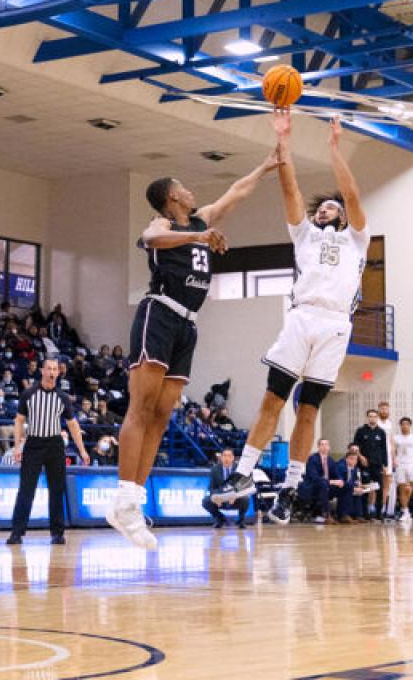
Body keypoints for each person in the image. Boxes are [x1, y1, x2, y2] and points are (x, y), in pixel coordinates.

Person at [106, 147, 279, 550]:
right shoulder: (163, 224)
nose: (189, 189)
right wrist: (198, 236)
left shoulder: (200, 219)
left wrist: (265, 165)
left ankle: (134, 500)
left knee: (164, 414)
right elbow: (150, 238)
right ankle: (124, 500)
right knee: (141, 408)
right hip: (159, 314)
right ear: (172, 197)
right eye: (182, 186)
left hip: (188, 324)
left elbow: (235, 193)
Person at [213, 114, 369, 523]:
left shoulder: (356, 239)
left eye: (334, 206)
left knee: (309, 409)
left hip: (335, 325)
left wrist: (335, 150)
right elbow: (291, 188)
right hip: (302, 317)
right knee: (272, 399)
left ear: (342, 216)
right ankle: (244, 473)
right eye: (324, 207)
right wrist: (283, 141)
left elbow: (352, 194)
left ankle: (290, 488)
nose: (329, 208)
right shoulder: (304, 234)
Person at [7, 357, 90, 546]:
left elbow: (73, 425)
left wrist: (82, 450)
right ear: (42, 371)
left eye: (55, 369)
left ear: (58, 373)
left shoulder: (62, 397)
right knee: (26, 489)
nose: (52, 372)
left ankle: (57, 533)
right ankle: (16, 533)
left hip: (55, 445)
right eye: (49, 369)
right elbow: (19, 420)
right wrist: (17, 446)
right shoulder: (29, 394)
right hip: (33, 444)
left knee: (56, 490)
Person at [352, 408, 388, 521]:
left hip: (377, 465)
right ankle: (365, 513)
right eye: (370, 416)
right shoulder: (361, 431)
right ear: (367, 418)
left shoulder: (381, 432)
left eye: (374, 416)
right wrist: (360, 457)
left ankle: (378, 513)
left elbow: (384, 449)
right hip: (364, 465)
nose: (372, 418)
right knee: (365, 489)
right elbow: (355, 447)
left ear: (377, 418)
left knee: (379, 489)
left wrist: (385, 465)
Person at [201, 448, 250, 529]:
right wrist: (216, 497)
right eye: (224, 456)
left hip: (235, 498)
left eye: (229, 456)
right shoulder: (215, 469)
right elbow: (211, 488)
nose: (227, 458)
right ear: (221, 457)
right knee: (205, 501)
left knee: (246, 499)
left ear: (233, 458)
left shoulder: (239, 469)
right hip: (221, 497)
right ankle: (220, 519)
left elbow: (243, 487)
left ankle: (241, 521)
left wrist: (235, 495)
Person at [393, 417, 413, 525]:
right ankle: (405, 512)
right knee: (402, 490)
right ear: (400, 425)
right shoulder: (396, 438)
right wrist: (394, 462)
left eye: (407, 424)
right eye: (403, 424)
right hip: (400, 465)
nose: (405, 426)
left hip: (412, 464)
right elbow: (393, 452)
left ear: (410, 425)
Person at [303, 438, 340, 524]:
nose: (324, 447)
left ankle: (344, 514)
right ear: (318, 447)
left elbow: (336, 474)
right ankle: (326, 515)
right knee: (323, 484)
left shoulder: (330, 460)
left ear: (329, 447)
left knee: (346, 486)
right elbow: (314, 477)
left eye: (326, 444)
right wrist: (329, 482)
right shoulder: (312, 459)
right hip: (313, 486)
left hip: (327, 485)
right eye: (322, 445)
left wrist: (340, 480)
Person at [376, 401, 396, 520]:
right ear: (379, 410)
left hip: (388, 456)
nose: (384, 411)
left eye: (386, 409)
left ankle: (383, 508)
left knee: (386, 484)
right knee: (376, 484)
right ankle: (372, 508)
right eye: (382, 409)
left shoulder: (389, 423)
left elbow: (392, 441)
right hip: (378, 456)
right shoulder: (376, 422)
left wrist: (394, 458)